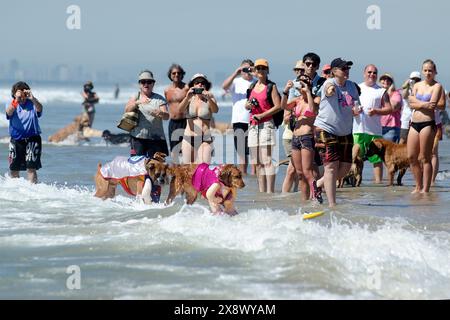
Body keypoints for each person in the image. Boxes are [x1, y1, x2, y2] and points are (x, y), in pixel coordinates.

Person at [313, 58, 361, 207]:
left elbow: (356, 104)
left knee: (345, 168)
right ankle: (332, 205)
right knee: (331, 167)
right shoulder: (330, 83)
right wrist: (330, 90)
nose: (347, 71)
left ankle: (318, 184)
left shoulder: (352, 86)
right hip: (326, 129)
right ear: (334, 71)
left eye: (348, 68)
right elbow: (328, 91)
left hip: (345, 131)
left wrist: (357, 110)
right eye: (343, 68)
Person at [281, 74, 320, 202]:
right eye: (301, 82)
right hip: (295, 138)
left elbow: (313, 111)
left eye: (306, 81)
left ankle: (316, 198)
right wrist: (286, 91)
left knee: (308, 172)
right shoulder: (296, 100)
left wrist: (308, 92)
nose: (302, 84)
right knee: (300, 173)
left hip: (307, 138)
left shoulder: (315, 99)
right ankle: (304, 201)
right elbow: (284, 106)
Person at [407, 59, 444, 194]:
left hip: (428, 123)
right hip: (414, 123)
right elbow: (410, 103)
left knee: (425, 157)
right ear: (422, 71)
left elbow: (433, 104)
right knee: (411, 156)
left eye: (430, 70)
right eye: (426, 70)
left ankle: (425, 189)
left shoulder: (437, 86)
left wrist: (416, 102)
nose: (428, 73)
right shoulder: (417, 85)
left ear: (435, 72)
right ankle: (417, 185)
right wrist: (423, 104)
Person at [245, 59, 281, 194]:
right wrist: (247, 105)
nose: (260, 70)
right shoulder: (252, 87)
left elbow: (278, 106)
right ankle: (262, 192)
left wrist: (262, 115)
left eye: (263, 68)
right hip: (253, 125)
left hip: (267, 124)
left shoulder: (271, 86)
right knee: (257, 162)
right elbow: (248, 104)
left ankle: (270, 192)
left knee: (267, 160)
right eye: (258, 68)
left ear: (267, 71)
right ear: (254, 70)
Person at [353, 65, 393, 184]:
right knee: (357, 159)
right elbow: (348, 106)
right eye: (369, 72)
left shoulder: (381, 91)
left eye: (374, 73)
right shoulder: (356, 88)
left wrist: (376, 111)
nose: (372, 74)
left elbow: (389, 109)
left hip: (375, 131)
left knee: (376, 159)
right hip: (358, 129)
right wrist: (354, 111)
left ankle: (378, 184)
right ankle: (357, 183)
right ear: (364, 73)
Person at [124, 70, 169, 159]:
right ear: (139, 84)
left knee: (156, 167)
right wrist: (138, 102)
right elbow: (127, 110)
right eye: (143, 82)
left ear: (153, 84)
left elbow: (167, 117)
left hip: (156, 138)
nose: (146, 84)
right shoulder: (135, 97)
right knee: (137, 166)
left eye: (149, 82)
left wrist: (161, 113)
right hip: (138, 137)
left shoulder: (159, 99)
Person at [222, 59, 256, 175]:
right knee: (242, 153)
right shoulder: (236, 81)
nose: (247, 71)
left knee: (254, 151)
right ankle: (244, 176)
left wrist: (254, 73)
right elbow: (224, 86)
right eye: (244, 69)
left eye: (249, 69)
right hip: (238, 120)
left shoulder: (256, 81)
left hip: (254, 120)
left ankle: (254, 177)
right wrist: (236, 72)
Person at [5, 81, 43, 184]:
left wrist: (32, 98)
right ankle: (15, 191)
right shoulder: (12, 104)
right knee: (14, 169)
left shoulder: (33, 103)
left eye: (23, 95)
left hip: (32, 138)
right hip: (16, 140)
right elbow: (8, 113)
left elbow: (40, 109)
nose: (22, 98)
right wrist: (16, 100)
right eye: (19, 95)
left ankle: (33, 190)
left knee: (31, 168)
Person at [178, 73, 219, 164]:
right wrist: (186, 97)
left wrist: (209, 99)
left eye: (202, 82)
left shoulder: (210, 96)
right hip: (189, 137)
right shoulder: (189, 98)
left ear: (206, 85)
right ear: (193, 85)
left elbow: (215, 110)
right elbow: (180, 110)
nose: (200, 84)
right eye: (197, 82)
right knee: (188, 170)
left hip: (205, 139)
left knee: (203, 168)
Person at [164, 64, 189, 163]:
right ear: (170, 75)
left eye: (179, 73)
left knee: (185, 150)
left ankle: (186, 174)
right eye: (174, 73)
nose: (176, 75)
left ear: (182, 74)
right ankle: (176, 174)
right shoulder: (167, 90)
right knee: (174, 151)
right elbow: (166, 105)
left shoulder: (186, 88)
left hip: (185, 122)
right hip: (172, 123)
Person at [379, 73, 403, 143]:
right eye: (383, 79)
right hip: (377, 127)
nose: (386, 81)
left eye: (388, 79)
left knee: (389, 152)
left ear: (392, 82)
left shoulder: (396, 94)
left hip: (391, 128)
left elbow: (393, 107)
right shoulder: (376, 94)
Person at [399, 71, 421, 144]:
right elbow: (404, 96)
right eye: (413, 79)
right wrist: (408, 85)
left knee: (416, 140)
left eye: (417, 80)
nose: (415, 81)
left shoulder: (421, 90)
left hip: (417, 118)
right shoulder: (407, 90)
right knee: (403, 139)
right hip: (406, 118)